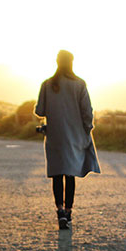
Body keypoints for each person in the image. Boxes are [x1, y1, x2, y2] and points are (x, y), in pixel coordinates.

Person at [35, 50, 100, 230]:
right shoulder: (79, 84)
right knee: (70, 173)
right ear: (72, 62)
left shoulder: (47, 84)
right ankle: (69, 212)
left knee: (57, 173)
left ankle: (60, 210)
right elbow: (87, 112)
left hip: (55, 135)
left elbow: (39, 111)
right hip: (74, 135)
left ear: (57, 61)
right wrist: (87, 130)